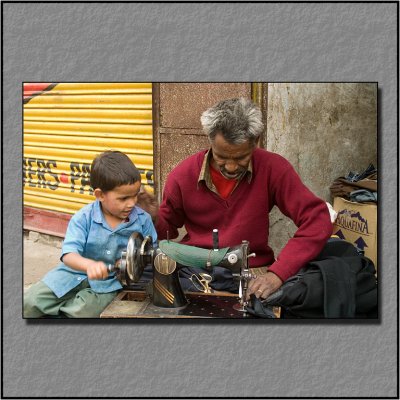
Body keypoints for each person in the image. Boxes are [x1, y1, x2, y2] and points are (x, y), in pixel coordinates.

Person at [155, 97, 332, 300]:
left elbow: (318, 218)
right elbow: (165, 230)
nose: (230, 167)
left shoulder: (274, 169)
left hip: (253, 270)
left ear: (256, 142)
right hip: (195, 272)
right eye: (221, 156)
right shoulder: (182, 175)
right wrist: (152, 216)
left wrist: (278, 273)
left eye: (241, 158)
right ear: (210, 141)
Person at [24, 151, 157, 318]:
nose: (132, 203)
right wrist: (88, 265)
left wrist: (131, 263)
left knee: (82, 312)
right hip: (71, 274)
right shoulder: (83, 218)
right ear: (100, 195)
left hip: (107, 283)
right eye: (123, 199)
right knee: (30, 301)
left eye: (135, 195)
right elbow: (68, 255)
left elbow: (150, 252)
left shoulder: (142, 220)